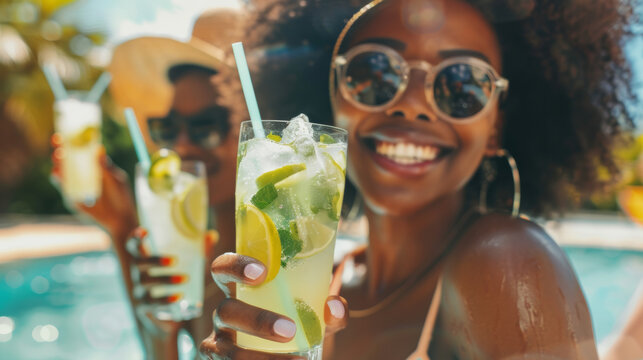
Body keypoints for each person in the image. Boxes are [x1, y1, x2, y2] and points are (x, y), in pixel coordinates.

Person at [199, 0, 638, 359]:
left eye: (462, 85)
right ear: (332, 95)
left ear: (495, 128)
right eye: (375, 73)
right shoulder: (323, 281)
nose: (411, 105)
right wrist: (158, 320)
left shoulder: (507, 260)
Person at [52, 7, 248, 359]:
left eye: (207, 124)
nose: (182, 145)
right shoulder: (197, 268)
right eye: (167, 128)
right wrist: (120, 222)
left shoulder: (294, 270)